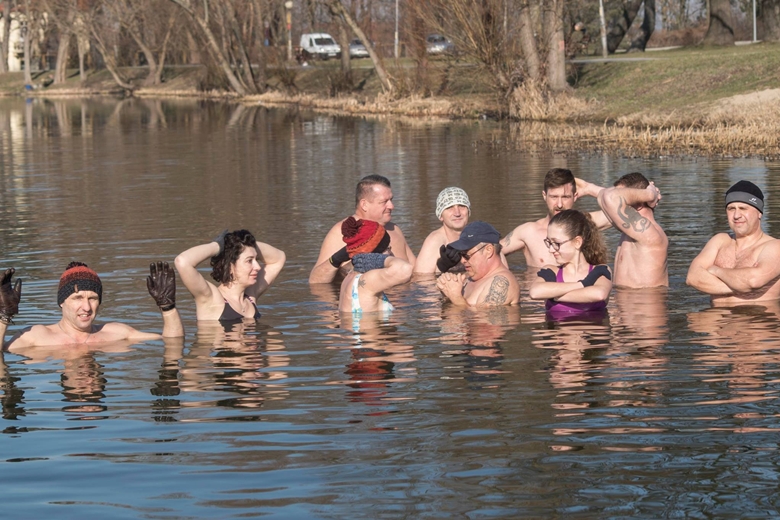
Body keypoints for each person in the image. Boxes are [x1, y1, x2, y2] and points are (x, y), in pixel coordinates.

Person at [0, 262, 183, 349]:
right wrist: (4, 316)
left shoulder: (117, 333)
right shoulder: (36, 336)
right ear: (61, 302)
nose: (86, 307)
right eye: (78, 298)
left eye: (93, 298)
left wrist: (168, 307)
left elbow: (172, 341)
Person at [686, 180, 780, 304]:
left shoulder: (774, 246)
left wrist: (716, 270)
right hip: (714, 317)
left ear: (759, 213)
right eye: (731, 209)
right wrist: (741, 287)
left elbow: (753, 280)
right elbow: (692, 277)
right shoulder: (720, 240)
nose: (736, 215)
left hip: (757, 318)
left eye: (743, 208)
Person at [310, 175, 416, 283]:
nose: (391, 206)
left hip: (407, 297)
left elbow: (417, 271)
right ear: (364, 205)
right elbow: (315, 281)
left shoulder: (394, 228)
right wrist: (342, 256)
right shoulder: (343, 231)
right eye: (384, 202)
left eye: (391, 200)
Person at [501, 168, 609, 268]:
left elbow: (623, 209)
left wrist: (588, 189)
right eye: (554, 197)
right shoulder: (527, 232)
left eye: (565, 197)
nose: (560, 204)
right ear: (544, 196)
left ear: (575, 196)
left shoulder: (586, 223)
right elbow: (489, 251)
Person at [576, 172, 668, 288]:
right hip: (624, 302)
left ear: (639, 201)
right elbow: (576, 223)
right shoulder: (631, 227)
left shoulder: (649, 233)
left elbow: (610, 197)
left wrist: (650, 194)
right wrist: (585, 189)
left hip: (643, 303)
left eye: (623, 194)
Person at [175, 229, 286, 321]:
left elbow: (279, 258)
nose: (257, 267)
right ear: (230, 266)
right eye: (249, 261)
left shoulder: (250, 296)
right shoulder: (211, 299)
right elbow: (183, 262)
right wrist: (218, 246)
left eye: (256, 259)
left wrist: (245, 245)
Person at [528, 209, 612, 318]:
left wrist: (554, 296)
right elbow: (535, 292)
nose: (551, 250)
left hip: (592, 334)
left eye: (557, 243)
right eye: (549, 243)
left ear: (577, 242)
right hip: (557, 333)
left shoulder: (600, 270)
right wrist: (582, 285)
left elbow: (599, 294)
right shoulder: (551, 271)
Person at [338, 217, 413, 315]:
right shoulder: (368, 279)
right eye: (387, 248)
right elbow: (405, 269)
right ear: (374, 254)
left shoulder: (349, 277)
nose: (391, 253)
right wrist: (374, 259)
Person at [437, 221, 520, 307]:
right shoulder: (468, 278)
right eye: (460, 254)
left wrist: (455, 297)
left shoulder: (501, 283)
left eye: (466, 255)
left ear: (488, 250)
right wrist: (447, 292)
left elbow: (483, 319)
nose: (462, 260)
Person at [415, 187, 471, 275]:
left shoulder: (476, 236)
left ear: (468, 212)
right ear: (440, 216)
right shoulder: (435, 240)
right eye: (449, 207)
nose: (457, 213)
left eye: (462, 206)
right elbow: (421, 280)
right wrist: (442, 266)